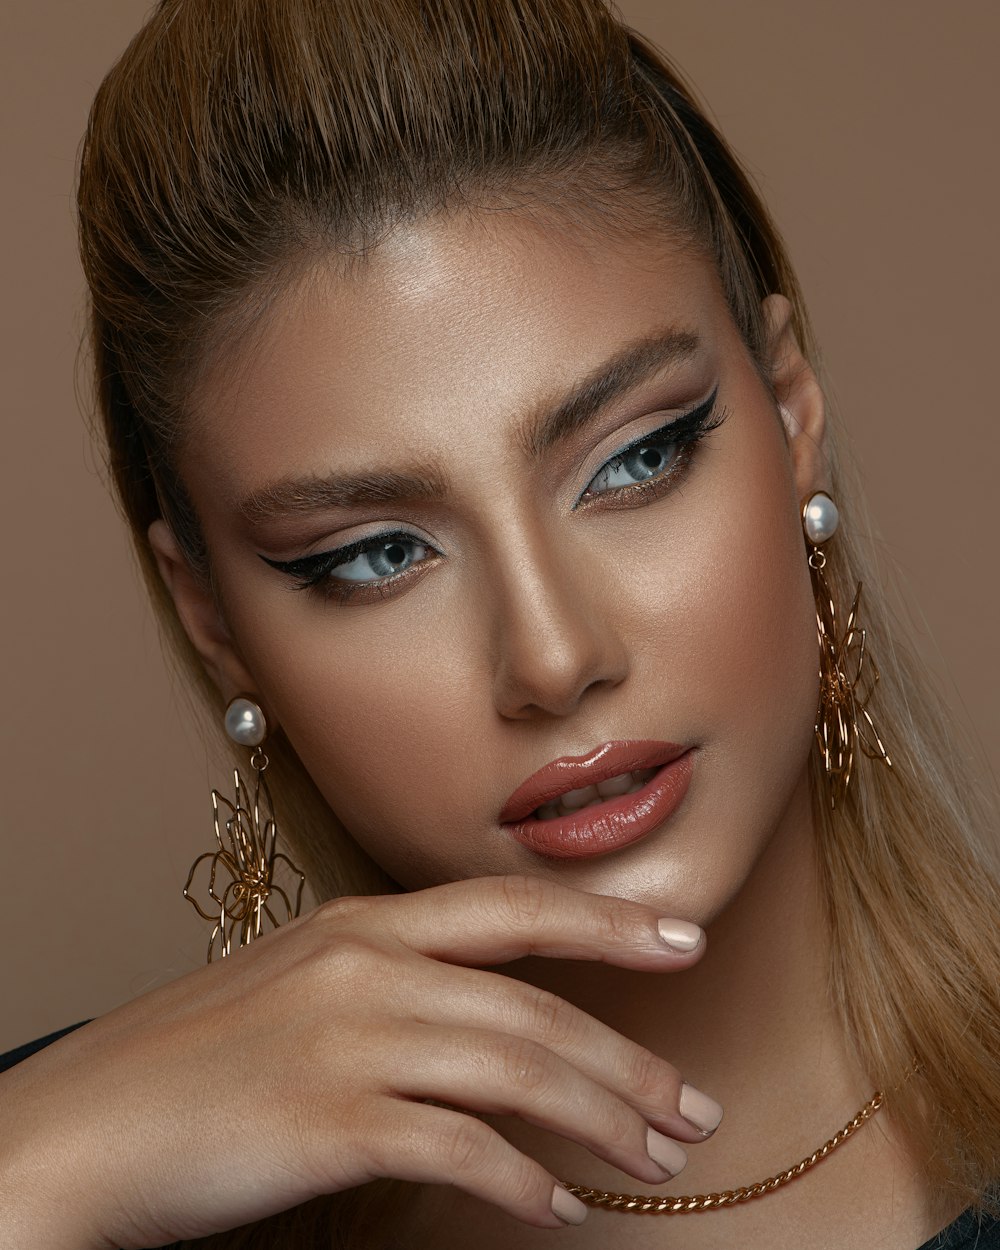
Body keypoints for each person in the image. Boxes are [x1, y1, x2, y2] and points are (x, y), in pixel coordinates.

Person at [2, 0, 998, 1247]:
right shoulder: (53, 1168)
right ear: (214, 621)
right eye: (377, 552)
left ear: (791, 414)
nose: (552, 655)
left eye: (636, 459)